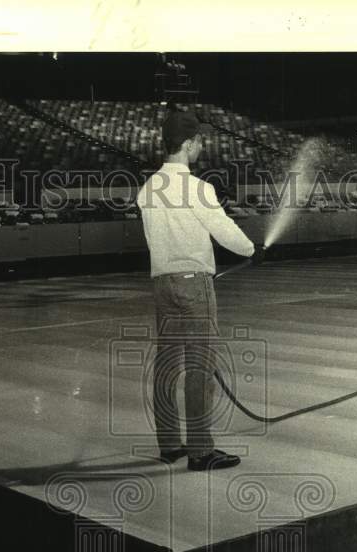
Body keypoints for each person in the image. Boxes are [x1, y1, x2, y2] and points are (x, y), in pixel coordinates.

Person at [136, 110, 262, 471]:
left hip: (163, 284)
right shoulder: (196, 188)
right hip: (194, 285)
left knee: (167, 366)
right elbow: (224, 230)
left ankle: (169, 444)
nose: (202, 146)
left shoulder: (147, 190)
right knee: (200, 370)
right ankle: (201, 452)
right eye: (200, 141)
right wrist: (254, 249)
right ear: (188, 144)